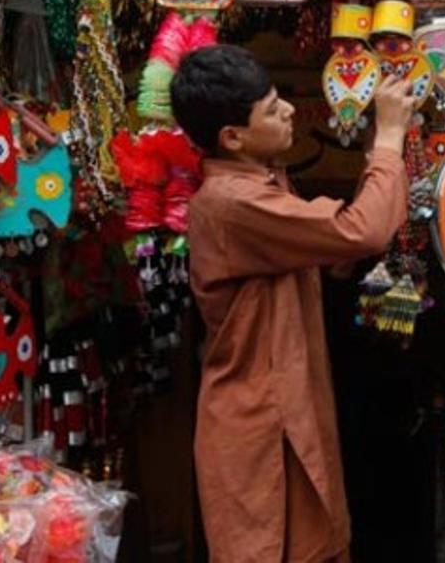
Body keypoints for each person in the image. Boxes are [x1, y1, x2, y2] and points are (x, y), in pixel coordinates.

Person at [170, 44, 416, 562]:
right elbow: (361, 232)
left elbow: (336, 247)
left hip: (287, 410)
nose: (287, 111)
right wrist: (390, 138)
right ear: (232, 138)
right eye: (271, 108)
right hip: (259, 426)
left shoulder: (264, 184)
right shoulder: (233, 203)